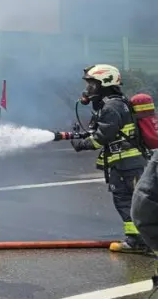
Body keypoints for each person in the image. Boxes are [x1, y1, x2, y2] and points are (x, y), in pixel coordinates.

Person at [58, 63, 149, 253]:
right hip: (126, 163)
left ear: (105, 83)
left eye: (92, 84)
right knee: (130, 201)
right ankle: (138, 239)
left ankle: (138, 241)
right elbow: (100, 130)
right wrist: (78, 135)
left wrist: (80, 144)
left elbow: (101, 138)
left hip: (126, 164)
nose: (88, 89)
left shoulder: (111, 107)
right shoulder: (114, 103)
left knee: (127, 201)